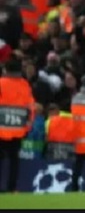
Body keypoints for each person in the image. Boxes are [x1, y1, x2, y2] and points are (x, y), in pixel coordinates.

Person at [0, 57, 35, 192]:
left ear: (5, 69)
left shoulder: (1, 83)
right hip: (17, 129)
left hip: (1, 129)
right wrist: (28, 127)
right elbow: (30, 108)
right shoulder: (25, 85)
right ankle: (12, 188)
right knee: (14, 160)